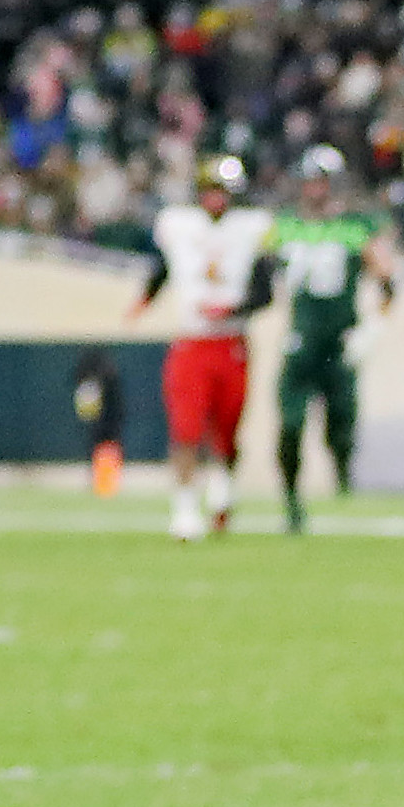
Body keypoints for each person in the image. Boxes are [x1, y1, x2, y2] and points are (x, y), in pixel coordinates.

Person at [134, 155, 276, 541]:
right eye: (212, 190)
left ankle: (223, 492)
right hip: (191, 340)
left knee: (227, 430)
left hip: (231, 341)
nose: (218, 199)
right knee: (186, 429)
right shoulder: (177, 224)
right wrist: (144, 298)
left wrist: (234, 307)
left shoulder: (252, 228)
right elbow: (164, 267)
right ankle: (184, 510)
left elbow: (266, 292)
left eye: (224, 192)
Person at [271, 144, 402, 532]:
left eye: (323, 181)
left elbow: (388, 283)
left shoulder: (356, 228)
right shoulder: (283, 226)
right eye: (311, 181)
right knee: (291, 425)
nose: (316, 189)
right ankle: (292, 499)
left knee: (341, 426)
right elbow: (257, 275)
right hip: (299, 341)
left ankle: (343, 476)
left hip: (339, 343)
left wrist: (370, 332)